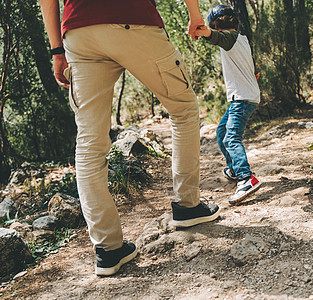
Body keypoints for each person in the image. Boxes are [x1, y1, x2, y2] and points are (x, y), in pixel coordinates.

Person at [39, 0, 220, 276]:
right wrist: (195, 16)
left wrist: (56, 50)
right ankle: (188, 205)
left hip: (79, 32)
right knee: (183, 108)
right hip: (133, 18)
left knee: (89, 142)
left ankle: (108, 249)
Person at [195, 5, 262, 205]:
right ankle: (234, 169)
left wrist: (202, 31)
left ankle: (245, 178)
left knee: (231, 137)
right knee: (222, 131)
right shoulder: (242, 40)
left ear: (216, 25)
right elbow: (254, 69)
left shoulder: (229, 39)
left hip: (241, 98)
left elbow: (215, 37)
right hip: (245, 96)